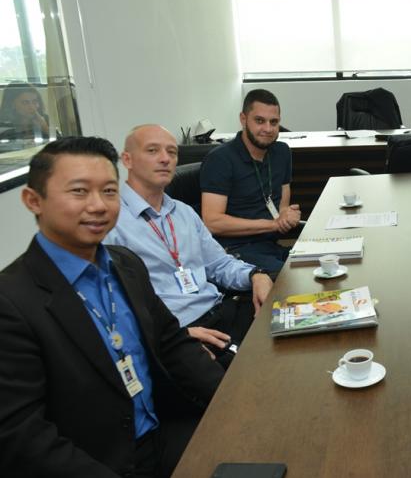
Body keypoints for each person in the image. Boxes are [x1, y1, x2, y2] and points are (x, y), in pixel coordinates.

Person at [0, 137, 224, 477]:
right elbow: (22, 435)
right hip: (97, 461)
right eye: (79, 191)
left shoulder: (126, 264)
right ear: (34, 200)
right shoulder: (11, 301)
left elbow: (173, 344)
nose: (99, 206)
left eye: (108, 191)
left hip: (161, 434)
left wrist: (234, 403)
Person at [105, 124, 273, 367]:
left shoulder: (182, 212)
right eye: (153, 151)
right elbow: (116, 308)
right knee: (250, 380)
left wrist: (256, 274)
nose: (165, 159)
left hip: (220, 310)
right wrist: (175, 337)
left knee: (292, 332)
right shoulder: (111, 222)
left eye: (171, 152)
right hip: (180, 333)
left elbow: (219, 264)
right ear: (127, 160)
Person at [200, 89, 300, 275]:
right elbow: (212, 222)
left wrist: (288, 215)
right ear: (243, 119)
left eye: (274, 122)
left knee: (318, 267)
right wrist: (273, 224)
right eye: (259, 121)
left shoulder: (282, 152)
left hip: (271, 246)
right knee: (292, 280)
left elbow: (282, 205)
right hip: (235, 252)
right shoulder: (220, 159)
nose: (268, 129)